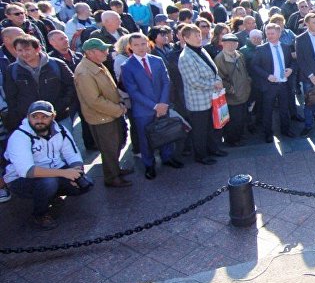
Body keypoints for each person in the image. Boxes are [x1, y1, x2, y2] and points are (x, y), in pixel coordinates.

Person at [3, 101, 87, 230]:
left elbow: (73, 155)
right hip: (20, 179)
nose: (39, 120)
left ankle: (51, 196)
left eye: (44, 117)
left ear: (53, 117)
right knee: (49, 183)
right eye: (35, 116)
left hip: (53, 170)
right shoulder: (19, 136)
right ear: (28, 117)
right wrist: (65, 173)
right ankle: (39, 215)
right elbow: (27, 171)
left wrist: (77, 172)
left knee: (85, 184)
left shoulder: (61, 130)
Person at [120, 33, 183, 180]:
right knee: (145, 138)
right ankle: (149, 164)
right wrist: (155, 106)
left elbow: (166, 82)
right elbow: (133, 91)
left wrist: (162, 103)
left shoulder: (157, 60)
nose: (140, 48)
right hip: (143, 110)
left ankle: (167, 158)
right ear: (130, 47)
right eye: (136, 45)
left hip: (163, 105)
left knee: (165, 132)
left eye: (143, 44)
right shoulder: (127, 66)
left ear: (148, 44)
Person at [74, 38, 132, 188]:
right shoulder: (84, 72)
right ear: (90, 53)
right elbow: (94, 100)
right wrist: (118, 109)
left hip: (110, 114)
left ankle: (115, 170)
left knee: (116, 145)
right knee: (109, 148)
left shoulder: (96, 64)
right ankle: (112, 177)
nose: (107, 52)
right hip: (102, 117)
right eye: (102, 50)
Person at [3, 34, 76, 133]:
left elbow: (72, 86)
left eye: (27, 49)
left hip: (59, 117)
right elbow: (11, 97)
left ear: (38, 49)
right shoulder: (12, 70)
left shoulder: (57, 64)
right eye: (20, 50)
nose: (24, 54)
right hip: (30, 122)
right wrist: (21, 113)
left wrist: (61, 105)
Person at [177, 24, 228, 165]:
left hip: (211, 97)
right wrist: (214, 84)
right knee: (200, 130)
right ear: (186, 38)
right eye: (195, 36)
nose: (199, 38)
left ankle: (213, 149)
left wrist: (217, 80)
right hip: (198, 101)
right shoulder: (186, 56)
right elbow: (194, 81)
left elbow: (214, 70)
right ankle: (201, 155)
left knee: (211, 127)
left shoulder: (201, 50)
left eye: (199, 35)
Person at [251, 23, 297, 142]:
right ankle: (268, 133)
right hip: (269, 85)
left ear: (279, 33)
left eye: (272, 33)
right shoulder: (261, 49)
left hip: (283, 84)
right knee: (267, 110)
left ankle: (285, 130)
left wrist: (291, 69)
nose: (269, 36)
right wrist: (267, 76)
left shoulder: (286, 47)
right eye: (268, 33)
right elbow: (254, 66)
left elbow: (293, 62)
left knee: (284, 109)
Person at [214, 33, 252, 146]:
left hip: (243, 93)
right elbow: (219, 78)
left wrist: (248, 81)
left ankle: (239, 136)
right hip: (232, 96)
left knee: (241, 118)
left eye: (234, 43)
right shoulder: (220, 58)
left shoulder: (239, 54)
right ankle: (232, 140)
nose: (231, 45)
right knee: (233, 120)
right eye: (228, 43)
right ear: (223, 44)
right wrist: (231, 89)